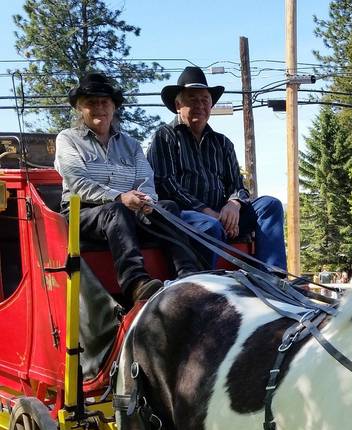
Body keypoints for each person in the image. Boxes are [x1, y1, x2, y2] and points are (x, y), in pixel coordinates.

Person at [54, 71, 202, 304]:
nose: (99, 108)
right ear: (80, 109)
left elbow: (145, 180)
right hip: (81, 214)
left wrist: (147, 202)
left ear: (113, 108)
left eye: (105, 102)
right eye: (91, 103)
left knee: (167, 207)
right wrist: (120, 197)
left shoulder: (130, 144)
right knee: (116, 211)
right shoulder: (68, 139)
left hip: (130, 210)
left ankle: (188, 273)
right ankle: (135, 282)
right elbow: (78, 184)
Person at [148, 66, 287, 269]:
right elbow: (166, 184)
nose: (200, 105)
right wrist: (208, 213)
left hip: (222, 216)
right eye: (192, 99)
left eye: (205, 99)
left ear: (211, 105)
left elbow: (238, 186)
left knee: (270, 205)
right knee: (210, 225)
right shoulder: (165, 136)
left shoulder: (222, 143)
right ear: (178, 105)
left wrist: (234, 204)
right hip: (183, 217)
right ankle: (205, 289)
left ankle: (273, 277)